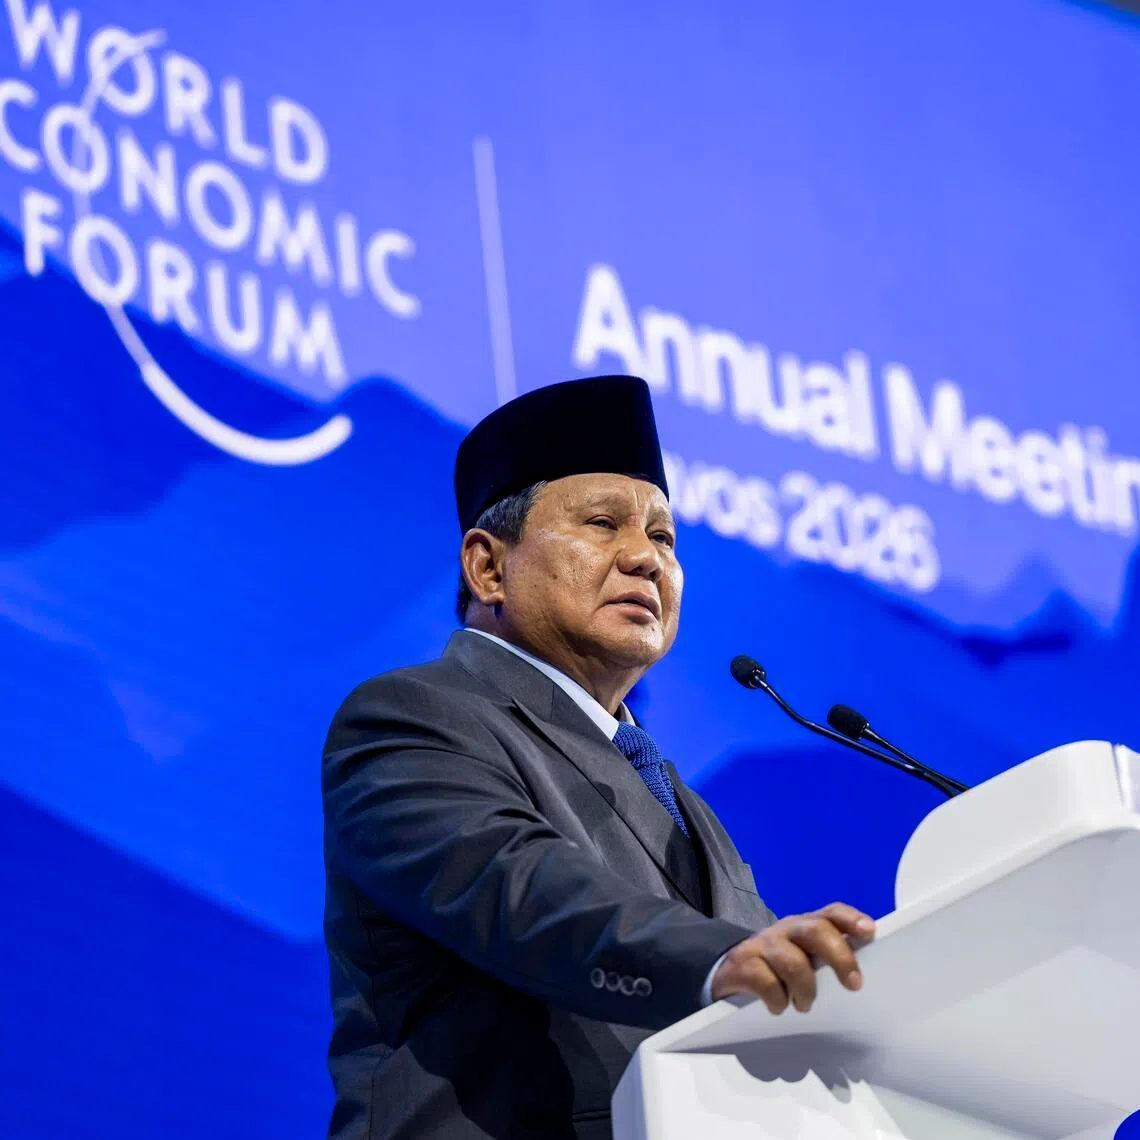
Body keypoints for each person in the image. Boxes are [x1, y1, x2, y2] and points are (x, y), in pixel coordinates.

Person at [322, 375, 875, 1140]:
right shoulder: (412, 718)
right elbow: (521, 889)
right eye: (603, 523)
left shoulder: (680, 801)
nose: (645, 558)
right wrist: (719, 960)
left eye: (664, 538)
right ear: (488, 568)